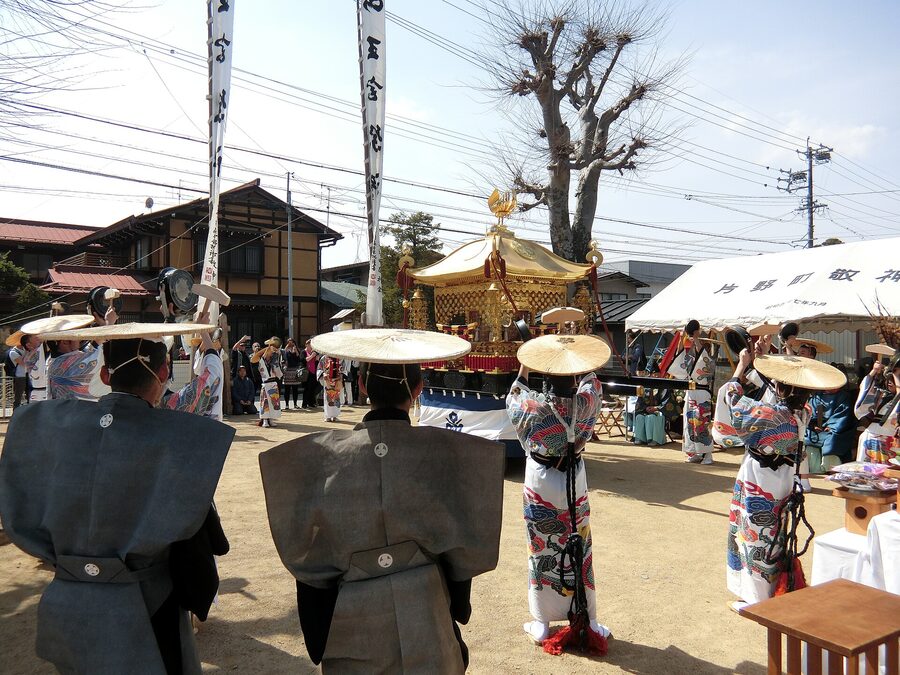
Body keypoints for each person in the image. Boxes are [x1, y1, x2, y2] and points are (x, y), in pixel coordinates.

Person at [259, 328, 504, 673]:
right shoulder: (443, 456)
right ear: (418, 390)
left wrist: (320, 634)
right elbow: (461, 549)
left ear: (360, 385)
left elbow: (311, 563)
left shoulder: (321, 458)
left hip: (350, 620)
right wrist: (457, 605)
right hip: (429, 611)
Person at [0, 321, 234, 674]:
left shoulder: (52, 430)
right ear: (164, 371)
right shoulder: (176, 440)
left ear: (105, 376)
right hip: (147, 606)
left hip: (67, 599)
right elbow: (195, 543)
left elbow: (20, 507)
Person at [506, 333, 612, 652]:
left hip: (541, 479)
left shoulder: (533, 407)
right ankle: (588, 618)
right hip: (574, 478)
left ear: (545, 376)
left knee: (541, 546)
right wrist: (577, 357)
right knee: (581, 544)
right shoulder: (588, 400)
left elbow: (514, 393)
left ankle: (541, 622)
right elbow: (592, 379)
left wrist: (525, 367)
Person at [720, 350, 845, 610]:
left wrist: (740, 367)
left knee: (754, 534)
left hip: (759, 480)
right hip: (783, 479)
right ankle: (770, 587)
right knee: (775, 535)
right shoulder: (801, 413)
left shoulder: (769, 415)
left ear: (780, 387)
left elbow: (732, 399)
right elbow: (767, 402)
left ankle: (756, 597)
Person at [854, 354, 900, 464]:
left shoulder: (897, 397)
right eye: (888, 380)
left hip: (889, 441)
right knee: (866, 475)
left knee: (887, 477)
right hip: (870, 436)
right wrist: (874, 371)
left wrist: (896, 374)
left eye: (892, 380)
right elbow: (865, 387)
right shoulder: (881, 395)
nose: (889, 382)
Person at [804, 384, 857, 472]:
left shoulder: (844, 397)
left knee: (832, 441)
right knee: (809, 439)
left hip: (836, 430)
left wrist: (831, 426)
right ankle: (814, 470)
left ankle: (830, 469)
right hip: (815, 428)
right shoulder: (816, 395)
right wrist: (813, 425)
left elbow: (843, 415)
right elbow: (809, 411)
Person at [250, 340, 282, 428]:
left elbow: (278, 352)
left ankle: (271, 419)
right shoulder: (260, 360)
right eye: (269, 351)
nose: (271, 353)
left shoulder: (273, 360)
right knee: (265, 403)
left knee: (274, 403)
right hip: (265, 383)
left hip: (273, 383)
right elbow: (253, 360)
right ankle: (265, 420)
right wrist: (267, 347)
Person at [6, 331, 42, 408]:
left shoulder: (26, 349)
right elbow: (24, 364)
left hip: (29, 375)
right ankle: (15, 414)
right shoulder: (13, 352)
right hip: (20, 377)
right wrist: (32, 352)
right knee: (18, 397)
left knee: (30, 396)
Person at [317, 354, 343, 422]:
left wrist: (340, 373)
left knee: (336, 397)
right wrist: (323, 374)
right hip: (328, 379)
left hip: (337, 379)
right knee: (328, 398)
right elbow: (319, 368)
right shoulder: (324, 358)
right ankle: (327, 416)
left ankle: (335, 416)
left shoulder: (339, 357)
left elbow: (343, 368)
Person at [281, 337, 303, 410]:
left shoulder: (297, 349)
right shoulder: (285, 350)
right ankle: (287, 404)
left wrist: (295, 350)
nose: (290, 343)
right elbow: (283, 356)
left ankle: (295, 404)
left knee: (295, 389)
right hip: (287, 371)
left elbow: (299, 358)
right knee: (287, 389)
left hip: (294, 370)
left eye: (292, 342)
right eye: (289, 342)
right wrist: (287, 347)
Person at [301, 338, 319, 409]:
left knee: (313, 388)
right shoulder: (303, 352)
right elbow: (304, 360)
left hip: (314, 372)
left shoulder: (314, 352)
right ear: (306, 345)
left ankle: (311, 403)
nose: (311, 346)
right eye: (309, 344)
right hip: (306, 372)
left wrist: (317, 358)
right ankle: (304, 404)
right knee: (306, 389)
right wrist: (312, 356)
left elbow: (317, 361)